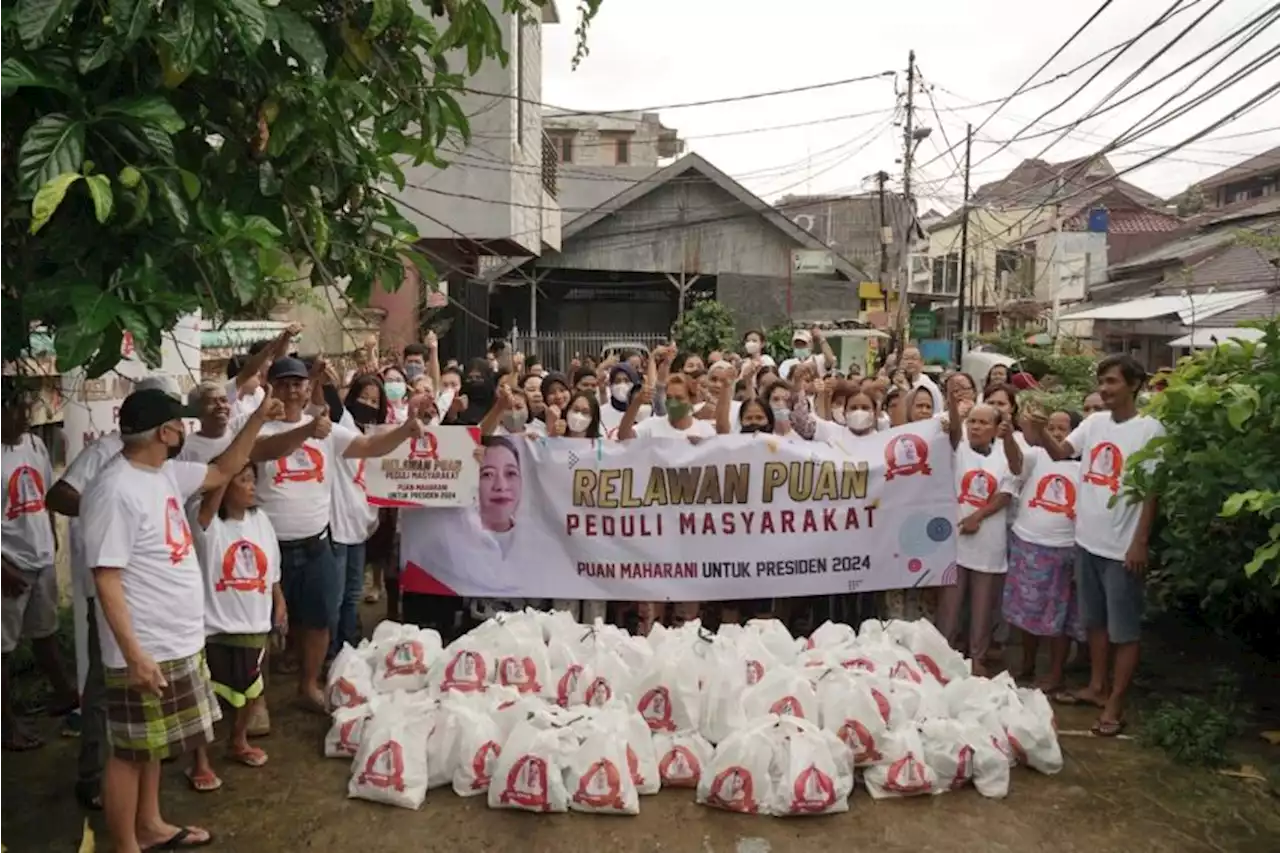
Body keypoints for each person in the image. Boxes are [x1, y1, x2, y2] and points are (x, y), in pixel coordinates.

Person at [81, 385, 280, 852]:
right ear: (166, 431)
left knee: (151, 746)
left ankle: (149, 824)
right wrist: (133, 654)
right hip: (146, 644)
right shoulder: (115, 490)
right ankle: (126, 844)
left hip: (176, 639)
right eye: (180, 423)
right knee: (130, 751)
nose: (186, 428)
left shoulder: (163, 473)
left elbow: (224, 469)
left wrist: (256, 421)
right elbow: (106, 579)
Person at [253, 357, 422, 712]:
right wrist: (306, 431)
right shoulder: (257, 428)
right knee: (261, 627)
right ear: (270, 387)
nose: (291, 389)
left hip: (316, 543)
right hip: (268, 548)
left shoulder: (326, 431)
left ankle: (308, 684)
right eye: (283, 383)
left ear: (305, 387)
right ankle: (257, 702)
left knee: (320, 619)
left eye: (297, 382)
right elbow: (265, 451)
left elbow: (368, 447)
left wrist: (405, 431)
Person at [1024, 354, 1164, 737]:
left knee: (1124, 629)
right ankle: (1097, 687)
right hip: (1087, 541)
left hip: (1122, 549)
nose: (1104, 389)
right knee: (1095, 623)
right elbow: (1061, 453)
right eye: (1102, 381)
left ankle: (1116, 702)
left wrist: (1140, 542)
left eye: (1113, 382)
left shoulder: (1151, 430)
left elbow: (1152, 492)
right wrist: (1040, 432)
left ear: (1134, 385)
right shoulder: (1095, 422)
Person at [186, 464, 286, 792]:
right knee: (205, 695)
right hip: (213, 625)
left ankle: (237, 741)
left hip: (254, 621)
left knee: (249, 689)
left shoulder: (261, 521)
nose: (251, 486)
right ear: (222, 487)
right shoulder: (206, 523)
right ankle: (199, 761)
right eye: (242, 480)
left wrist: (279, 602)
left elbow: (271, 569)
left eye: (252, 480)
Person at [0, 385, 77, 752]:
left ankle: (65, 695)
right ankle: (6, 723)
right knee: (3, 648)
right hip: (8, 563)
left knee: (44, 632)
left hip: (40, 556)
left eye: (25, 407)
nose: (25, 415)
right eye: (15, 409)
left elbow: (45, 494)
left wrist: (50, 537)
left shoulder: (34, 445)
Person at [937, 392, 1023, 676]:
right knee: (950, 603)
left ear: (996, 427)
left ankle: (978, 657)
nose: (975, 427)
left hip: (989, 543)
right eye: (972, 421)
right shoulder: (958, 449)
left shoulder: (1004, 453)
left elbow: (1007, 492)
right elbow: (951, 432)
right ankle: (944, 655)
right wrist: (951, 402)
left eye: (983, 423)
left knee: (983, 607)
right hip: (956, 540)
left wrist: (978, 515)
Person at [1004, 410, 1085, 692]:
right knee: (1026, 613)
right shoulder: (1037, 455)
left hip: (1065, 550)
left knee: (1058, 619)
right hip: (1028, 543)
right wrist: (1007, 437)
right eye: (1050, 427)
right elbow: (1015, 465)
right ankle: (1027, 664)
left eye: (1062, 428)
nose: (1056, 433)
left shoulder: (1084, 466)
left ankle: (1055, 672)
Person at [618, 374, 715, 440]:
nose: (673, 403)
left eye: (679, 398)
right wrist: (637, 402)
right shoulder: (652, 426)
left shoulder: (705, 430)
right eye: (669, 397)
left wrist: (702, 446)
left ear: (691, 400)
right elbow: (623, 436)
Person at [900, 346, 944, 413]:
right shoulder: (895, 385)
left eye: (914, 358)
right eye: (906, 359)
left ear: (921, 362)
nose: (910, 362)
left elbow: (938, 411)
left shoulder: (930, 387)